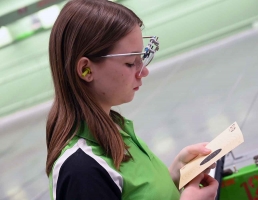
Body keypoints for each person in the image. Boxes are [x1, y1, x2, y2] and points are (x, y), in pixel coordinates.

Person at [46, 0, 218, 199]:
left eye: (142, 58)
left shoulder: (114, 126)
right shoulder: (81, 170)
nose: (143, 71)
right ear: (86, 69)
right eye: (129, 63)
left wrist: (175, 176)